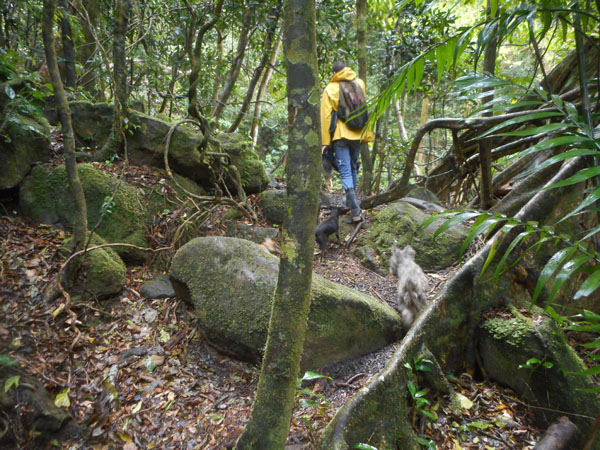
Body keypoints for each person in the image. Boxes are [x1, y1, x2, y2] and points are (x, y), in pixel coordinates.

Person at [320, 60, 371, 223]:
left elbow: (326, 116)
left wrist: (325, 141)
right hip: (358, 134)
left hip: (341, 135)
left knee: (346, 171)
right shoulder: (360, 84)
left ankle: (355, 210)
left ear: (334, 73)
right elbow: (363, 107)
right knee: (354, 166)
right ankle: (350, 201)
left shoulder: (331, 89)